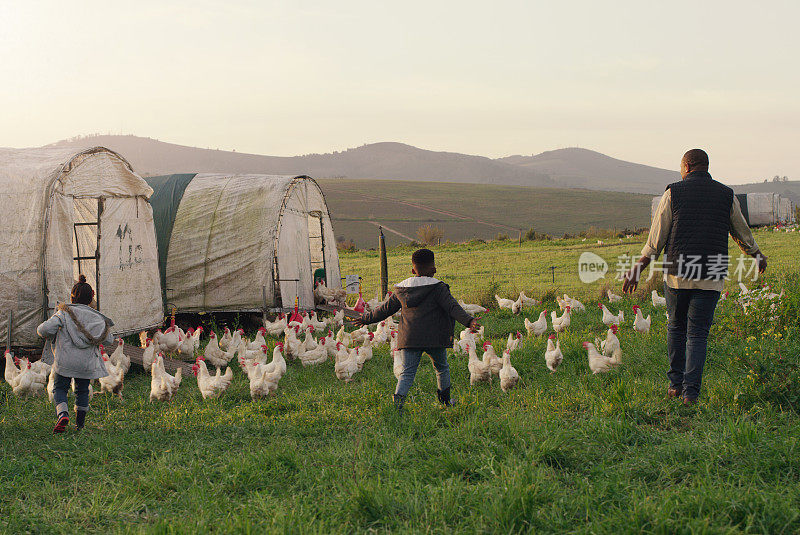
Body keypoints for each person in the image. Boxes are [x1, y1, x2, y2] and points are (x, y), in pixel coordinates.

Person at [623, 149, 767, 405]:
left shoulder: (673, 193)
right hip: (711, 273)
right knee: (698, 334)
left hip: (678, 273)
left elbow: (656, 240)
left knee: (676, 327)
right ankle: (691, 393)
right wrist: (756, 255)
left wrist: (637, 269)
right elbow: (741, 232)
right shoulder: (726, 195)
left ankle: (675, 386)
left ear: (687, 167)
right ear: (706, 167)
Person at [354, 248, 479, 413]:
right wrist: (469, 321)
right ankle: (446, 402)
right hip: (435, 338)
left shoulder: (402, 289)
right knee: (441, 368)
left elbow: (385, 309)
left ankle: (397, 405)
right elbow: (452, 307)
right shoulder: (438, 288)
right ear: (434, 269)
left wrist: (365, 319)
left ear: (413, 270)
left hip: (410, 338)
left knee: (407, 372)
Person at [37, 275, 115, 433]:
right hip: (85, 364)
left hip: (65, 361)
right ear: (91, 298)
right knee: (82, 391)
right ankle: (79, 426)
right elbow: (109, 340)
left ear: (72, 296)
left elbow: (42, 330)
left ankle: (63, 414)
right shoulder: (97, 318)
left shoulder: (64, 313)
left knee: (59, 388)